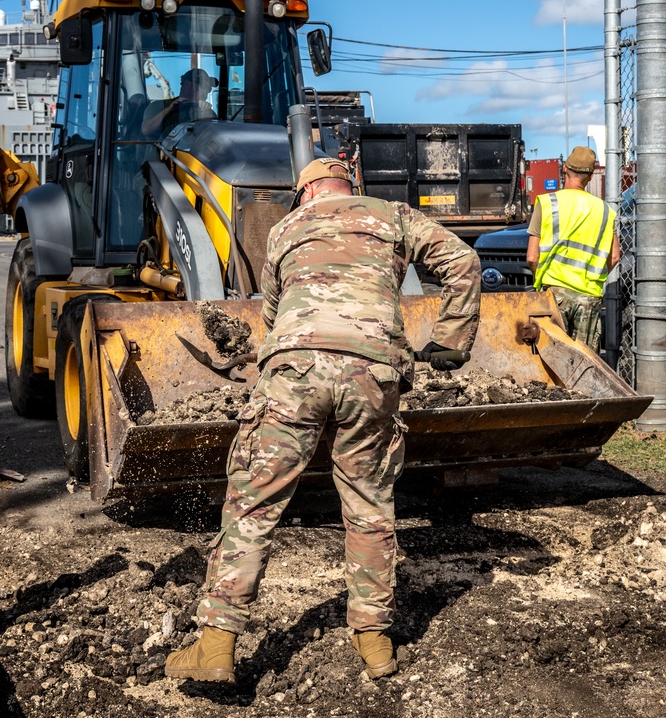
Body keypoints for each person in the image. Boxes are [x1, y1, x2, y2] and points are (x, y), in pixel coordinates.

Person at [165, 157, 481, 684]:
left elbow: (272, 315)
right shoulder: (394, 215)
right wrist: (449, 343)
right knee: (369, 504)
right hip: (374, 372)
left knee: (255, 503)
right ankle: (375, 644)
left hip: (294, 370)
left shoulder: (287, 227)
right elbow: (464, 263)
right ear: (346, 185)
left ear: (306, 192)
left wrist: (277, 359)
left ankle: (216, 644)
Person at [525, 146, 621, 349]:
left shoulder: (547, 203)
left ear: (565, 168)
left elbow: (532, 257)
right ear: (591, 175)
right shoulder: (605, 210)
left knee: (551, 356)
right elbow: (614, 257)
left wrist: (542, 277)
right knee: (584, 361)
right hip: (588, 296)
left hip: (555, 294)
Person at [141, 68, 217, 137]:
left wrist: (206, 116)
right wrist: (168, 110)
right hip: (161, 152)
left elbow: (215, 136)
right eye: (204, 86)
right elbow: (146, 130)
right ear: (188, 84)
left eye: (209, 88)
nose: (209, 90)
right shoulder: (159, 106)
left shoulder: (208, 113)